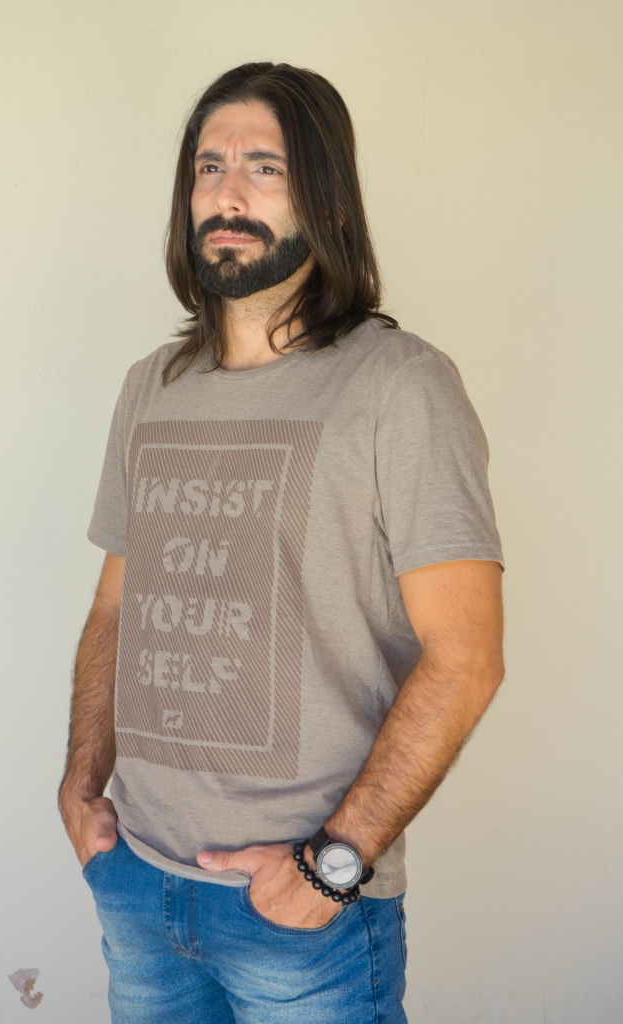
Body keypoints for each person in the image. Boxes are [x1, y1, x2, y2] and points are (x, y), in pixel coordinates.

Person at [58, 62, 505, 1024]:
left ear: (327, 200)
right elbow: (115, 605)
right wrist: (81, 788)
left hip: (301, 914)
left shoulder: (399, 386)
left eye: (265, 168)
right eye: (208, 166)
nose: (227, 194)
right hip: (139, 887)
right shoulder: (150, 386)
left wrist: (331, 867)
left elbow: (465, 657)